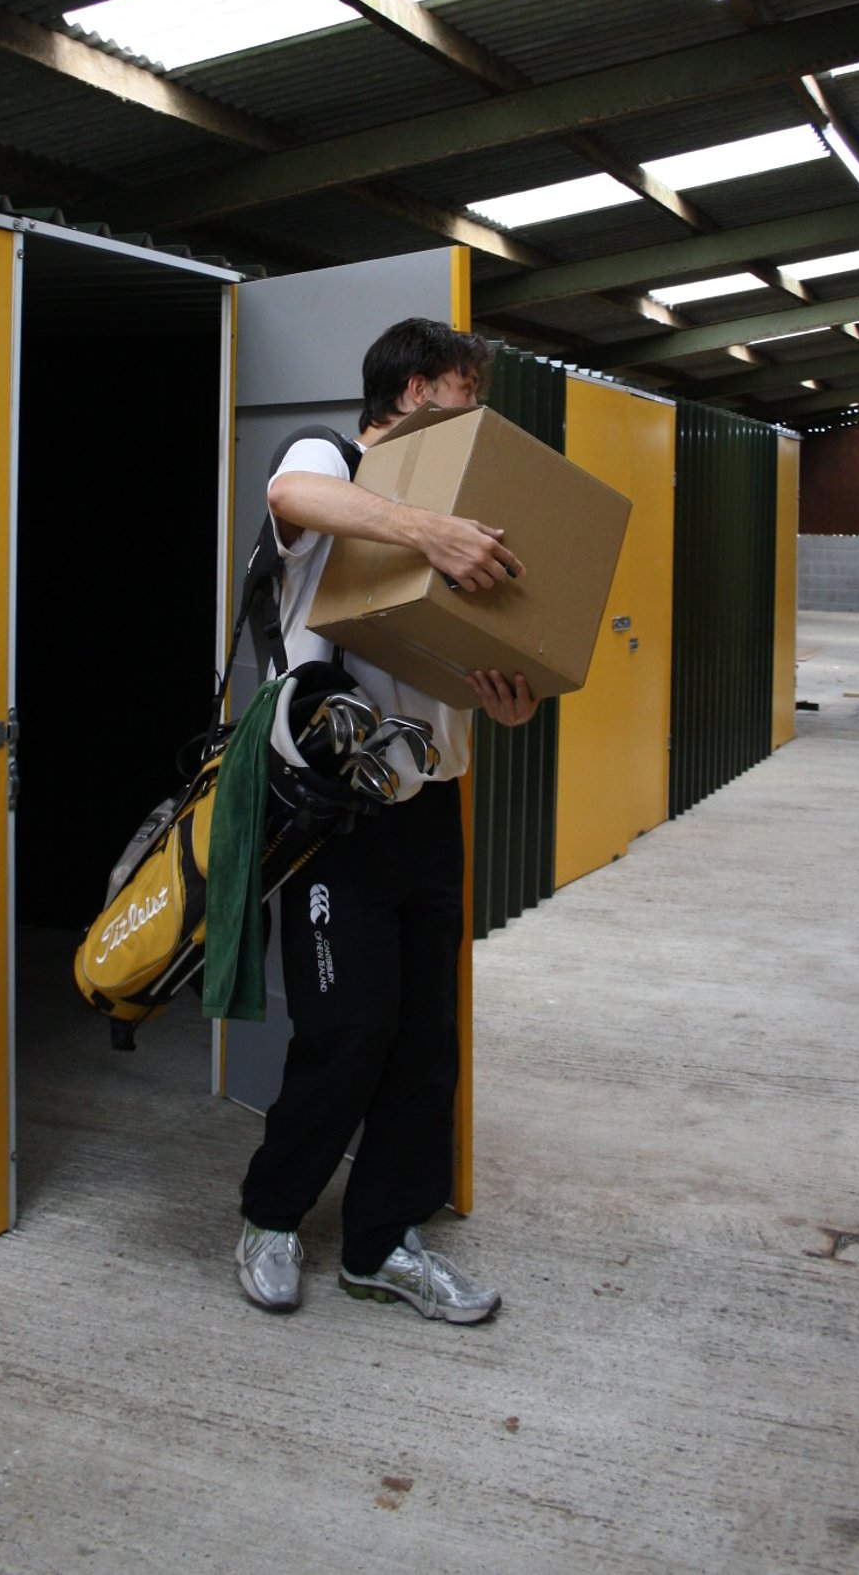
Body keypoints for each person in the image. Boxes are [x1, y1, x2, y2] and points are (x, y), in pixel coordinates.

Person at [235, 317, 538, 1324]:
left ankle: (381, 1244)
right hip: (340, 814)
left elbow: (474, 671)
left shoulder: (466, 513)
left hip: (433, 806)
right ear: (411, 392)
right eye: (463, 390)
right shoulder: (333, 456)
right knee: (348, 1027)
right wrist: (427, 528)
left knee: (424, 1042)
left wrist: (507, 700)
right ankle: (273, 1214)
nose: (476, 410)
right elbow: (290, 496)